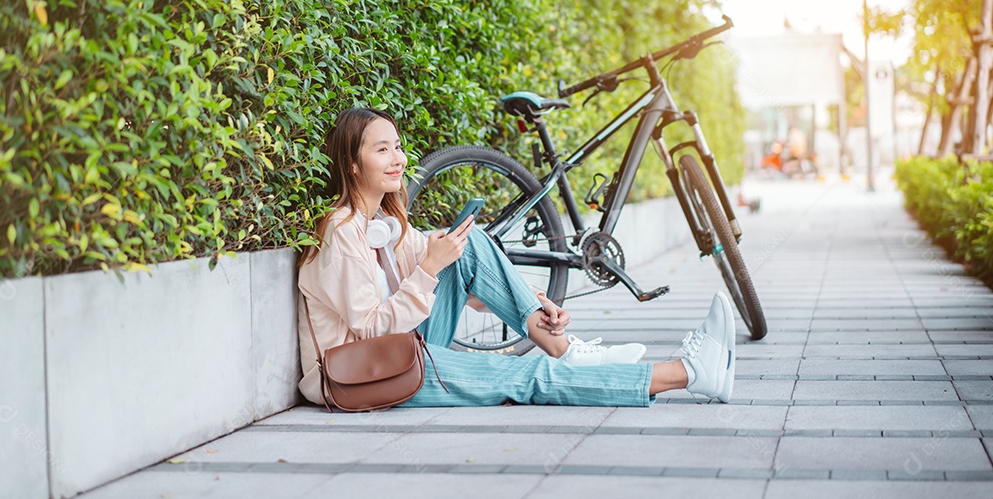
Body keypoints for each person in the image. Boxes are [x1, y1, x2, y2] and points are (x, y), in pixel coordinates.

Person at [296, 107, 736, 408]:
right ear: (352, 165)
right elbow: (371, 327)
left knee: (471, 243)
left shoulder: (388, 225)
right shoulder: (342, 232)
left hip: (396, 351)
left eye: (397, 146)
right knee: (525, 376)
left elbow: (470, 284)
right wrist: (430, 266)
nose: (397, 159)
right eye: (381, 150)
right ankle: (687, 373)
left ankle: (562, 346)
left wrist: (535, 300)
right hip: (355, 376)